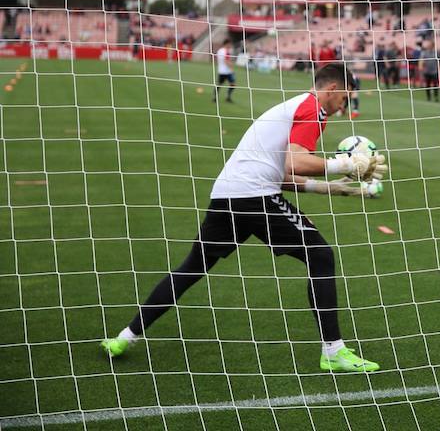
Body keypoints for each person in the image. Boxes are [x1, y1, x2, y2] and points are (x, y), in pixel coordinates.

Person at [101, 63, 387, 373]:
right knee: (320, 256)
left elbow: (281, 173)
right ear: (333, 89)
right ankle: (333, 351)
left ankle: (124, 336)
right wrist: (345, 164)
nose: (344, 107)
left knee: (193, 267)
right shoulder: (312, 108)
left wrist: (329, 188)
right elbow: (296, 162)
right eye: (345, 98)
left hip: (226, 194)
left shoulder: (292, 107)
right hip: (254, 195)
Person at [214, 37, 236, 103]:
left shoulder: (219, 50)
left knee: (219, 84)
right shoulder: (226, 51)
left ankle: (215, 98)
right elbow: (226, 60)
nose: (230, 45)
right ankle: (228, 97)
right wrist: (232, 68)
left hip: (221, 70)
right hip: (227, 71)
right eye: (230, 44)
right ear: (227, 43)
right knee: (232, 84)